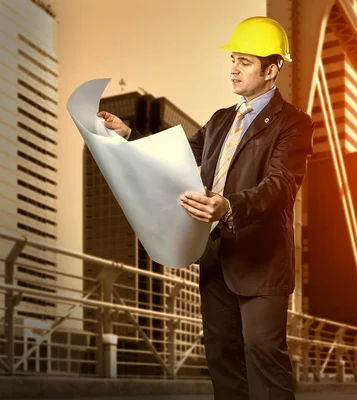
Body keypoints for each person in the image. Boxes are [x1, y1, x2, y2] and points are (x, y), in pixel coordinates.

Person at [97, 16, 314, 400]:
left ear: (272, 69)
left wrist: (228, 206)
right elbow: (176, 157)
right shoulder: (219, 121)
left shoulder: (293, 123)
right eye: (233, 59)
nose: (233, 68)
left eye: (244, 62)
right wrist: (128, 135)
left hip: (261, 259)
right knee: (222, 357)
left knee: (263, 352)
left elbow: (280, 187)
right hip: (215, 256)